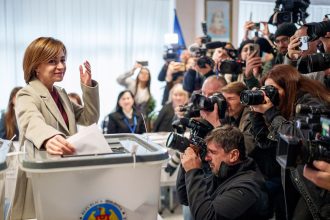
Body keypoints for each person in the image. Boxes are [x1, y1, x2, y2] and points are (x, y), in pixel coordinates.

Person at [12, 37, 100, 219]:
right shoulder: (27, 93)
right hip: (41, 179)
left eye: (62, 60)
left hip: (64, 174)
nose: (60, 66)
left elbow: (89, 118)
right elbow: (30, 121)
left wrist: (87, 86)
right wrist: (48, 137)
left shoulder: (60, 93)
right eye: (52, 61)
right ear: (36, 67)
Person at [250, 64, 330, 220]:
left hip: (320, 188)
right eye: (265, 90)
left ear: (289, 86)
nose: (269, 95)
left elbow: (298, 139)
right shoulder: (285, 108)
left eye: (272, 90)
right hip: (302, 184)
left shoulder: (311, 103)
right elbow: (265, 142)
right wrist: (256, 113)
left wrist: (270, 112)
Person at [176, 125, 269, 220]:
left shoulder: (248, 186)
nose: (207, 158)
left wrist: (193, 171)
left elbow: (208, 217)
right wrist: (186, 165)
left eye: (213, 152)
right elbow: (185, 198)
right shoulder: (222, 173)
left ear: (233, 155)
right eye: (207, 152)